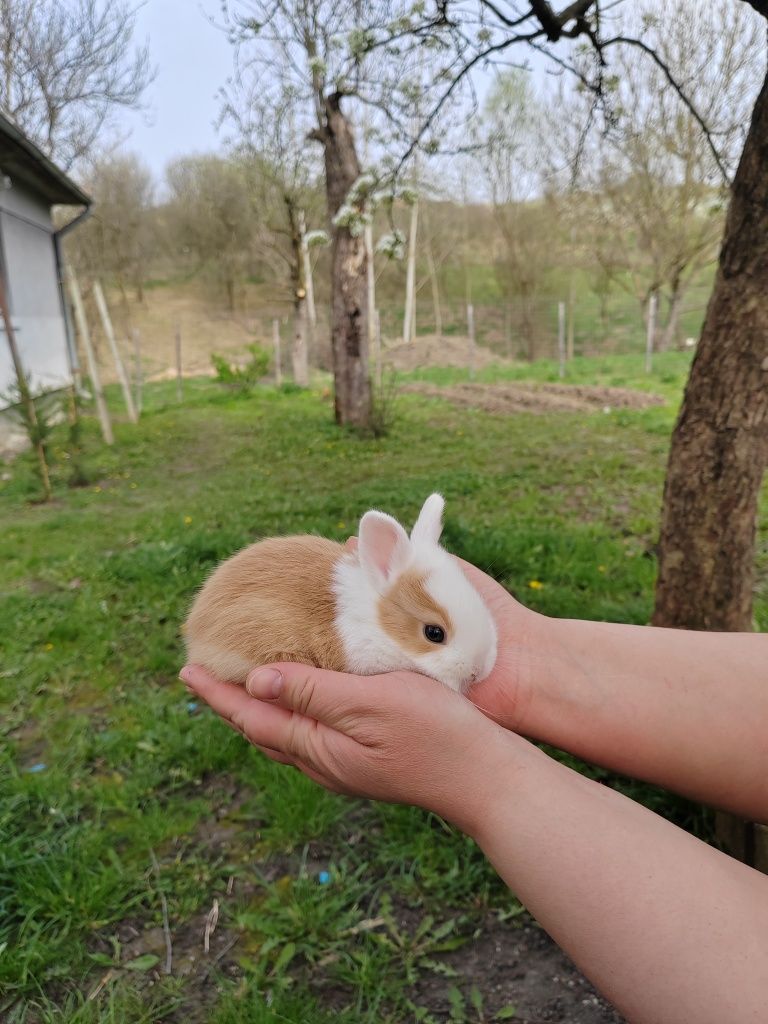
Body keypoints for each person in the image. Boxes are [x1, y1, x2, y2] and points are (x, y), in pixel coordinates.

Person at [180, 555, 768, 1024]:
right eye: (435, 634)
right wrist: (530, 664)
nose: (473, 665)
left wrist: (475, 773)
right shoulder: (363, 627)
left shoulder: (400, 613)